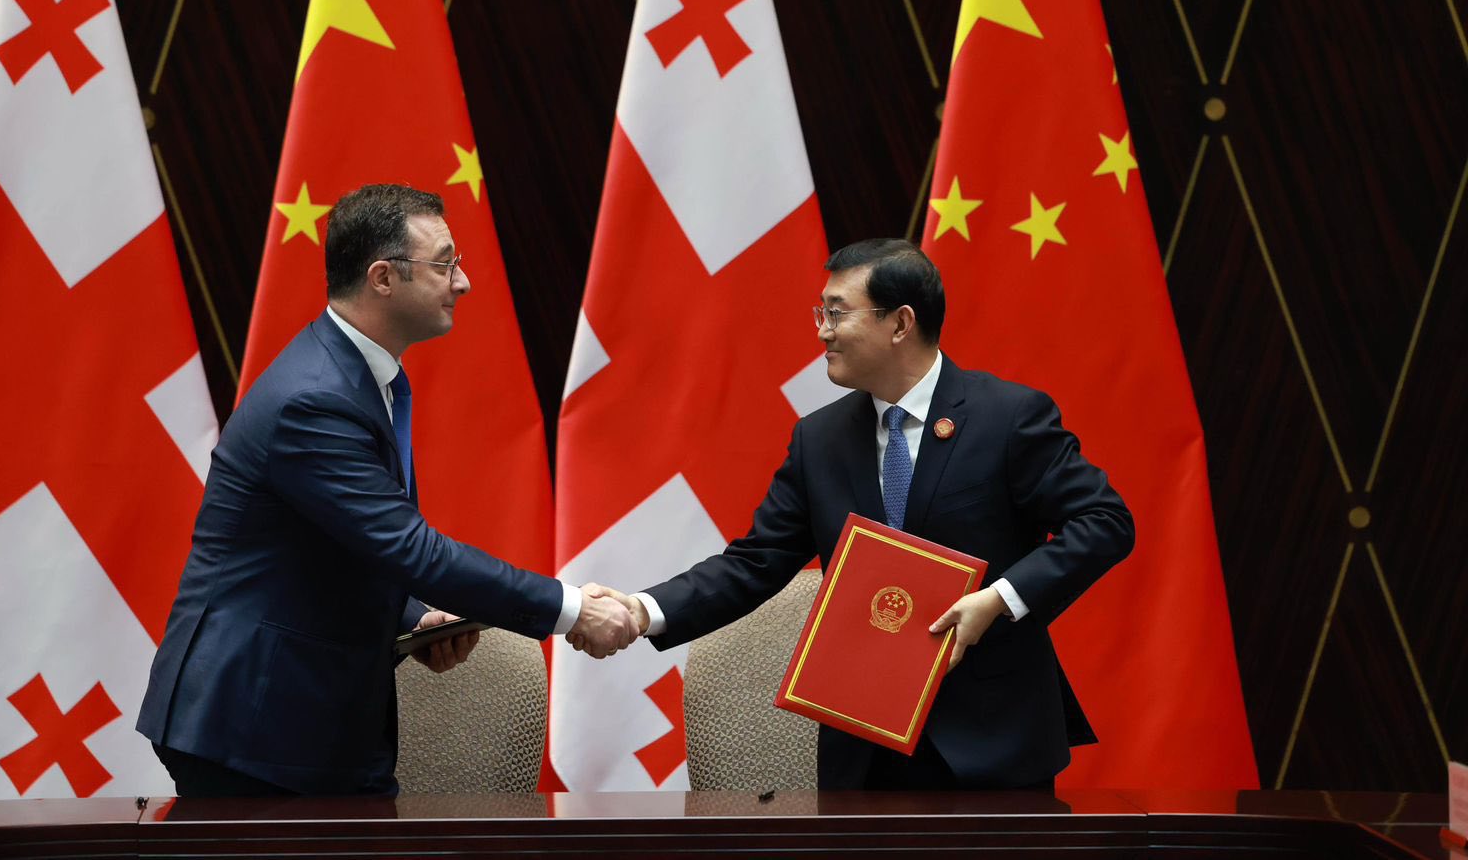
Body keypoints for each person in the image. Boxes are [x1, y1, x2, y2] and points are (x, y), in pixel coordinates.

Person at [576, 239, 1134, 791]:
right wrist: (643, 610)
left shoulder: (1007, 417)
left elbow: (1104, 521)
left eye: (837, 313)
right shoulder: (819, 439)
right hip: (864, 746)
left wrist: (998, 599)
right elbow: (755, 561)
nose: (823, 331)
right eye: (821, 313)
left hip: (994, 741)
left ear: (900, 323)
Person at [138, 184, 636, 797]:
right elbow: (412, 549)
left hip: (308, 719)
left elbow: (337, 545)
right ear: (382, 278)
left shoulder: (361, 377)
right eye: (445, 264)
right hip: (253, 728)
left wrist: (413, 617)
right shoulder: (314, 399)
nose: (463, 282)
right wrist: (573, 609)